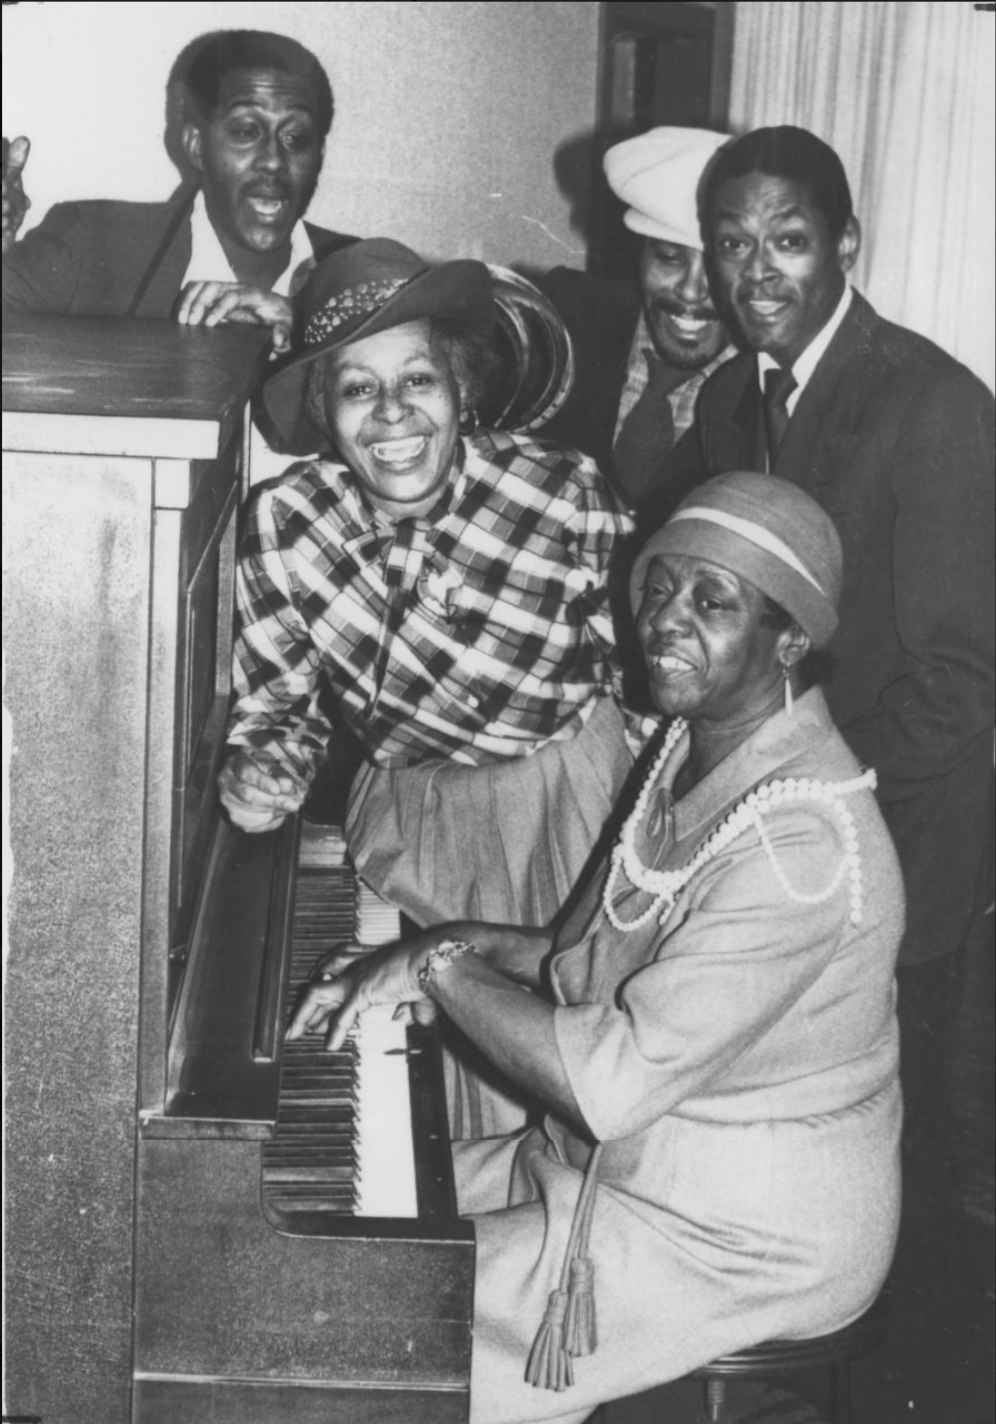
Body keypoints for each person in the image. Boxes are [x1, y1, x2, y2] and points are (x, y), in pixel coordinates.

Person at [288, 470, 904, 1424]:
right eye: (658, 586)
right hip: (624, 1161)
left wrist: (438, 969)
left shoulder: (804, 842)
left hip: (732, 1228)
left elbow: (606, 1084)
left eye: (713, 602)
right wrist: (440, 944)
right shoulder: (694, 746)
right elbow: (582, 956)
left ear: (791, 640)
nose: (666, 618)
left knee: (355, 1322)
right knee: (358, 1212)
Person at [219, 237, 636, 1139]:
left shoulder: (562, 494)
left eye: (419, 382)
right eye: (358, 389)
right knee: (439, 1111)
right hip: (414, 822)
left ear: (462, 390)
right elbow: (278, 709)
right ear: (325, 413)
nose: (393, 416)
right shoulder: (286, 526)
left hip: (566, 813)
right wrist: (263, 776)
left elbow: (638, 684)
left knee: (572, 1082)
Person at [684, 125, 995, 1176]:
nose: (755, 272)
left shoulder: (937, 402)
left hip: (897, 847)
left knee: (899, 1169)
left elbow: (963, 682)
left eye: (789, 240)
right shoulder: (733, 398)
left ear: (847, 243)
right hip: (776, 846)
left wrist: (800, 795)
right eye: (732, 244)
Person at [2, 29, 355, 348]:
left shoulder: (364, 277)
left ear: (319, 154)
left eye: (296, 137)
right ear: (196, 145)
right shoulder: (90, 243)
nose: (275, 161)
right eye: (247, 131)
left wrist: (309, 326)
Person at [541, 127, 736, 513]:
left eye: (719, 264)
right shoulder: (563, 314)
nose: (692, 291)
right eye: (669, 257)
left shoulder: (775, 392)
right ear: (641, 255)